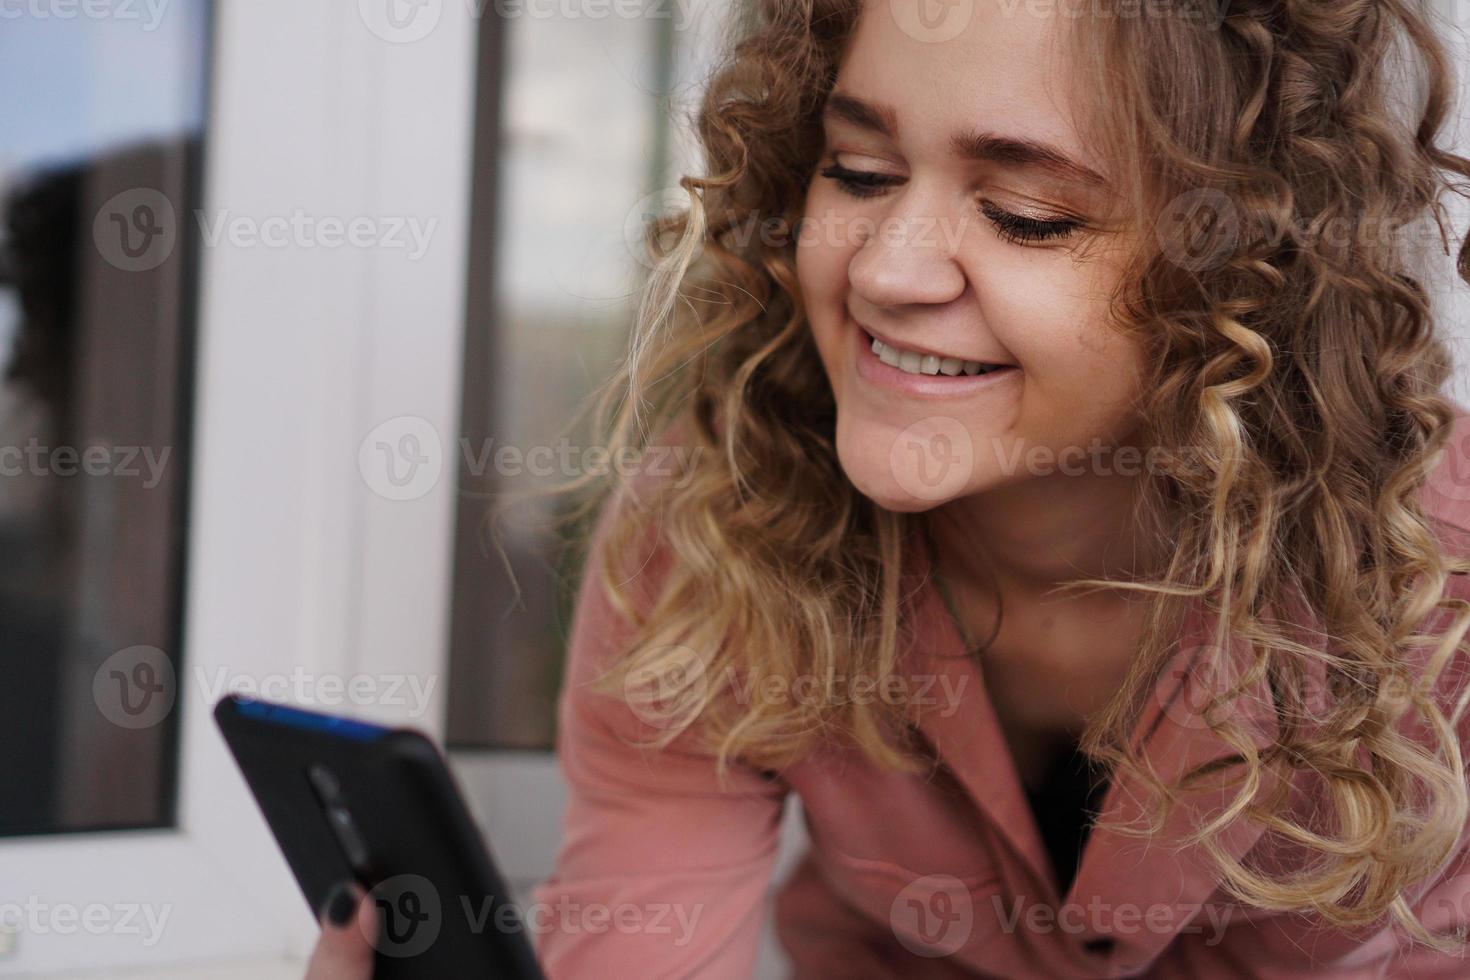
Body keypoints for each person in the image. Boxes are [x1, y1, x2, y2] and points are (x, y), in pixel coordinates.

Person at [306, 0, 1470, 975]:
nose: (885, 267)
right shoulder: (711, 530)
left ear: (1254, 272)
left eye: (1027, 214)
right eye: (857, 171)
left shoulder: (1444, 581)